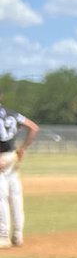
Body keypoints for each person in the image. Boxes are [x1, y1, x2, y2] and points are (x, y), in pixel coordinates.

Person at [0, 103, 38, 249]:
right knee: (15, 195)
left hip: (2, 158)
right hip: (13, 156)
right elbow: (33, 127)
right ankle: (18, 235)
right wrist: (23, 148)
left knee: (1, 197)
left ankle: (3, 236)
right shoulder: (12, 113)